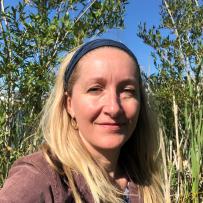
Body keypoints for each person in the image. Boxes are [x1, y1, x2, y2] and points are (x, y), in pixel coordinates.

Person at [0, 39, 163, 203]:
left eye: (127, 90)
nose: (114, 108)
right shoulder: (40, 180)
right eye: (95, 89)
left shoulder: (146, 179)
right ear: (69, 104)